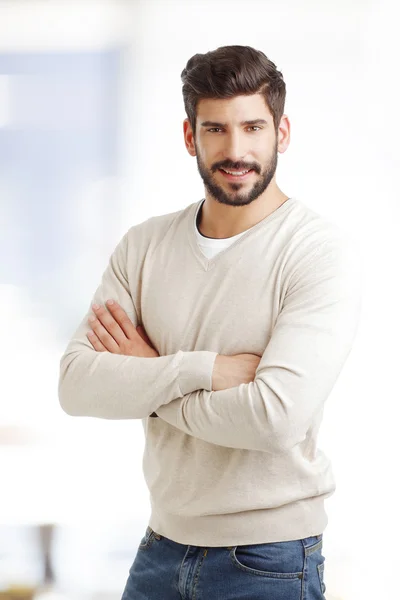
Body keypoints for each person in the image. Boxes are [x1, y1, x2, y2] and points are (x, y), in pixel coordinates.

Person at [58, 45, 362, 599]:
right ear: (189, 136)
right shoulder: (144, 246)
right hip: (159, 548)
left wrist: (147, 376)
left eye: (252, 127)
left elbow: (272, 420)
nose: (236, 149)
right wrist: (210, 369)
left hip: (270, 561)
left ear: (282, 132)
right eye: (216, 129)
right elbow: (77, 386)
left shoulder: (317, 253)